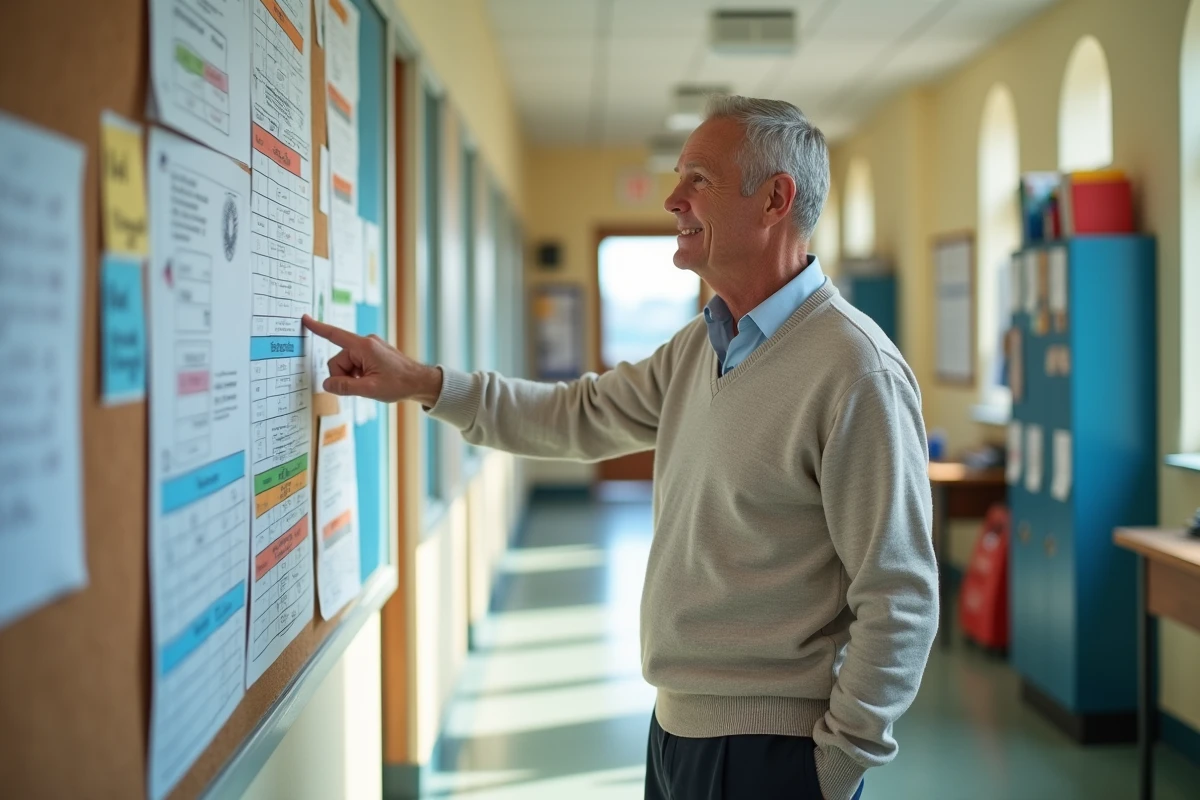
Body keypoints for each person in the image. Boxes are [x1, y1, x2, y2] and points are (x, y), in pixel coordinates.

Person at [303, 95, 938, 800]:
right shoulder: (703, 345)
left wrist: (837, 765)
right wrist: (422, 382)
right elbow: (578, 414)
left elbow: (899, 593)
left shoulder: (854, 370)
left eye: (698, 179)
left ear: (774, 200)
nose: (673, 199)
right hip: (674, 730)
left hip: (776, 752)